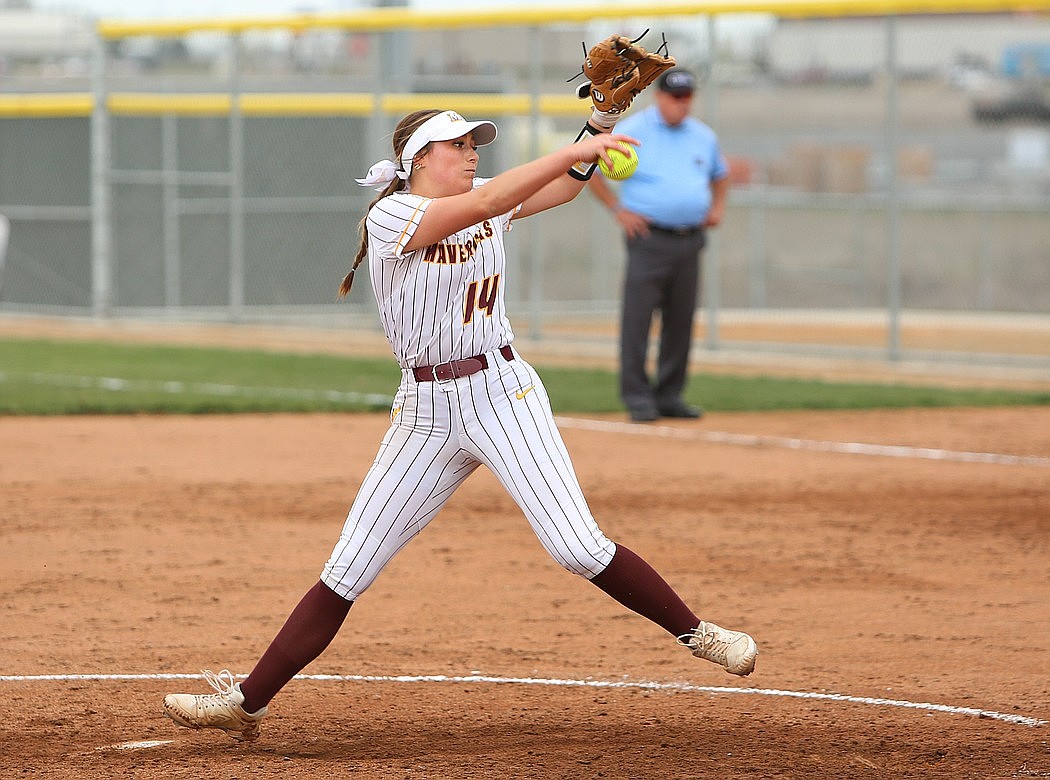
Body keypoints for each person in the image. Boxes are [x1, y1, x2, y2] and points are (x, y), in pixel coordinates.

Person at [162, 103, 757, 742]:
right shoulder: (392, 215)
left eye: (475, 142)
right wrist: (568, 151)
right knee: (349, 567)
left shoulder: (481, 195)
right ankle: (246, 703)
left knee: (575, 546)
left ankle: (700, 635)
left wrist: (592, 136)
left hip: (502, 392)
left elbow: (553, 191)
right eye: (457, 144)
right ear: (418, 160)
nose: (473, 151)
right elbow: (486, 204)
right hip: (424, 412)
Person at [588, 68, 730, 423]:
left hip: (690, 238)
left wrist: (716, 208)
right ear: (660, 97)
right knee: (638, 319)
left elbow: (720, 176)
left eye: (687, 98)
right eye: (674, 97)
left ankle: (669, 395)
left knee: (680, 320)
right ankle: (637, 397)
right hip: (648, 238)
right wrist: (618, 210)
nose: (681, 104)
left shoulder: (702, 136)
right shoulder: (633, 130)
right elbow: (587, 168)